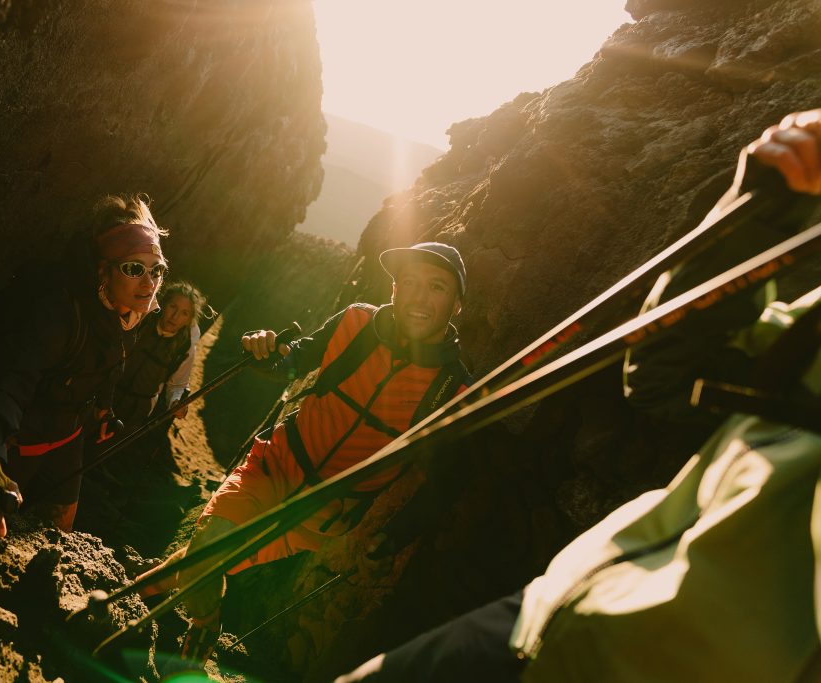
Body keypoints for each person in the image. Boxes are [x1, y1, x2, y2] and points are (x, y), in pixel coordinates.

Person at [335, 111, 821, 682]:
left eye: (435, 286)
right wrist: (758, 214)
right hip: (559, 610)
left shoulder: (451, 377)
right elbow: (662, 376)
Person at [137, 242, 474, 666]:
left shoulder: (453, 391)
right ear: (393, 289)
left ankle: (145, 596)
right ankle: (198, 620)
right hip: (274, 465)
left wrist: (395, 536)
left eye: (437, 287)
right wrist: (264, 351)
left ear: (458, 304)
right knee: (208, 550)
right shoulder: (357, 322)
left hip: (322, 512)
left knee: (206, 558)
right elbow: (294, 362)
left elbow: (444, 481)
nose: (419, 297)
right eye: (409, 282)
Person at [0, 195, 169, 536]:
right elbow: (10, 380)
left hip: (69, 439)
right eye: (133, 268)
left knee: (61, 530)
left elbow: (110, 363)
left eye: (156, 270)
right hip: (21, 439)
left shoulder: (126, 316)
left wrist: (104, 410)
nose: (149, 281)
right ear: (102, 271)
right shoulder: (59, 315)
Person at [112, 281, 210, 430]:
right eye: (173, 307)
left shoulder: (184, 348)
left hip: (138, 410)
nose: (175, 316)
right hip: (109, 395)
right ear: (164, 304)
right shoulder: (142, 321)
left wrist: (176, 402)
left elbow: (178, 384)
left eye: (184, 313)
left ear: (189, 320)